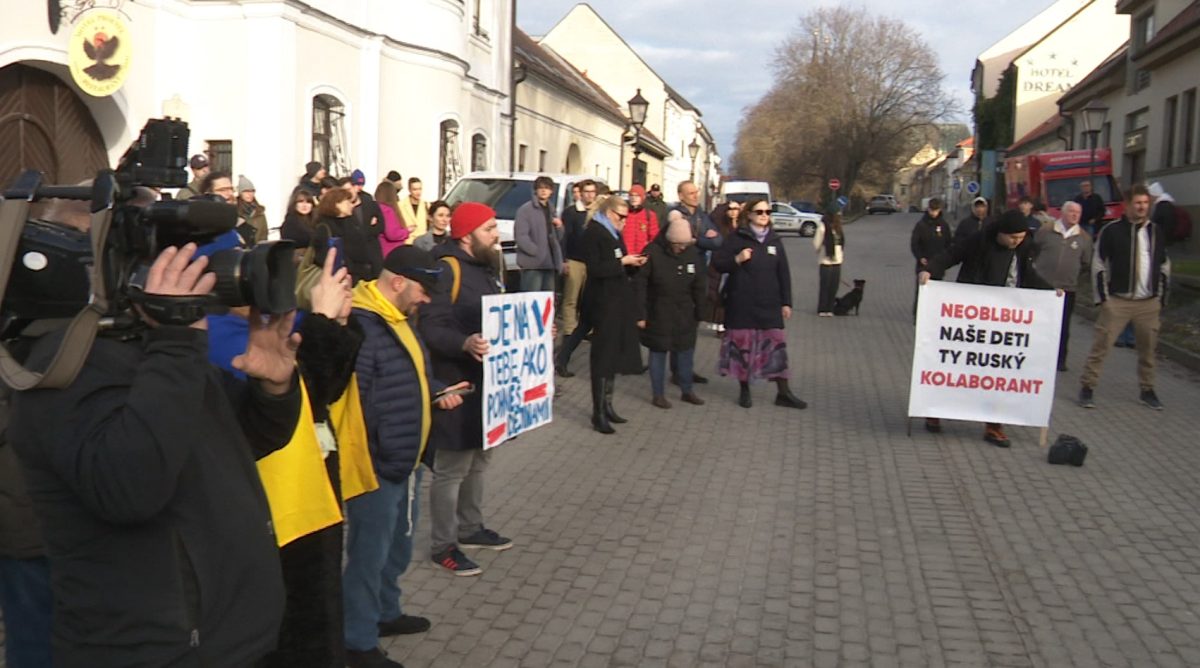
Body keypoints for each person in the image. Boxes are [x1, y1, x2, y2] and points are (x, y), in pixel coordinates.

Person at [10, 242, 301, 666]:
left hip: (233, 639)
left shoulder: (157, 349)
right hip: (158, 650)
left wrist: (273, 387)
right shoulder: (65, 366)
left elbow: (244, 441)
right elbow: (129, 490)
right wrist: (177, 343)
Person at [343, 247, 465, 668]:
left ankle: (386, 613)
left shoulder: (396, 320)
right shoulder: (363, 325)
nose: (425, 299)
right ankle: (357, 641)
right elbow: (357, 403)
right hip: (379, 465)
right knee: (368, 555)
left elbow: (408, 374)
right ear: (397, 282)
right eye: (422, 290)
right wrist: (381, 454)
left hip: (404, 458)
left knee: (396, 547)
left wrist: (434, 391)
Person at [417, 202, 514, 576]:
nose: (496, 234)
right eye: (489, 228)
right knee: (451, 468)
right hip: (455, 383)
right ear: (466, 234)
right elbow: (430, 327)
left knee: (479, 459)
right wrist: (464, 343)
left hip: (485, 383)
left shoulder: (486, 267)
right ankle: (444, 545)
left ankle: (471, 528)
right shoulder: (447, 269)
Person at [920, 210, 1052, 444]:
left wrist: (1052, 293)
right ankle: (935, 411)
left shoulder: (1022, 248)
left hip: (1004, 318)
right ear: (1001, 233)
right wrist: (930, 269)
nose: (1017, 242)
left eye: (1021, 237)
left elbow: (1028, 275)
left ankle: (993, 424)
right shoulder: (978, 241)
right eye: (1013, 237)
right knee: (958, 366)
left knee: (997, 372)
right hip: (972, 316)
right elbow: (952, 254)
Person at [1078, 184, 1170, 411]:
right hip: (1118, 300)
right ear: (1127, 205)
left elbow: (1164, 264)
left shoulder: (1155, 231)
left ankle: (1147, 390)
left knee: (1148, 349)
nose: (1142, 207)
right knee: (1102, 346)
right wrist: (1104, 299)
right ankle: (1087, 387)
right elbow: (1098, 264)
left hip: (1148, 302)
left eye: (1145, 203)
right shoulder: (1112, 231)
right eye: (1137, 203)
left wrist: (1161, 298)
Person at [711, 198, 806, 410]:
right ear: (750, 215)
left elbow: (784, 273)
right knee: (743, 348)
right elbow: (718, 263)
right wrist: (737, 259)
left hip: (769, 303)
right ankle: (744, 391)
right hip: (742, 302)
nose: (765, 215)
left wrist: (786, 302)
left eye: (768, 212)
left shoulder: (774, 240)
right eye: (760, 211)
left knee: (776, 346)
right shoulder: (737, 238)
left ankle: (784, 392)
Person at [581, 195, 646, 433]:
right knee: (602, 356)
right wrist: (623, 262)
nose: (624, 222)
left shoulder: (614, 233)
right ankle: (598, 412)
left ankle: (608, 405)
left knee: (612, 356)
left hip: (617, 300)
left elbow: (618, 260)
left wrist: (631, 263)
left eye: (627, 218)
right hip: (601, 302)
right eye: (621, 217)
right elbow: (596, 268)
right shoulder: (594, 232)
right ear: (609, 213)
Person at [634, 212, 707, 409]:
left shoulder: (691, 253)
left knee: (685, 352)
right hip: (659, 310)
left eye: (685, 245)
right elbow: (639, 285)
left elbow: (700, 285)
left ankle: (687, 390)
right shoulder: (652, 252)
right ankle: (658, 394)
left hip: (685, 312)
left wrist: (701, 311)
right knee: (658, 352)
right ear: (669, 241)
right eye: (678, 245)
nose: (682, 248)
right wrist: (640, 314)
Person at [1033, 201, 1092, 372]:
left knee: (1063, 326)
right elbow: (1034, 250)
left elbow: (1086, 263)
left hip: (1067, 289)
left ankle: (1060, 360)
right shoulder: (1046, 231)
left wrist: (1073, 278)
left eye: (1078, 213)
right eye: (1071, 211)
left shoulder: (1084, 238)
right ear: (1063, 213)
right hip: (1042, 287)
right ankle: (1036, 355)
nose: (1074, 215)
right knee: (1039, 323)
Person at [313, 188, 380, 284]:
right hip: (343, 280)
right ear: (336, 204)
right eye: (347, 202)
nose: (351, 205)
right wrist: (350, 271)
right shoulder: (325, 227)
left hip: (363, 277)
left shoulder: (350, 222)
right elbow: (324, 256)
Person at [560, 179, 599, 339]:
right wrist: (563, 260)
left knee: (588, 297)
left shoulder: (598, 212)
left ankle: (586, 328)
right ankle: (570, 328)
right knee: (571, 296)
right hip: (574, 259)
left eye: (592, 192)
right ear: (580, 193)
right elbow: (565, 237)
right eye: (587, 192)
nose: (590, 195)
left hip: (592, 260)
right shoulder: (571, 212)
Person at [514, 175, 564, 292]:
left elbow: (559, 238)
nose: (543, 190)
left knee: (547, 301)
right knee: (532, 298)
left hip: (550, 263)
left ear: (551, 191)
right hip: (533, 264)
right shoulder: (525, 210)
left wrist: (560, 226)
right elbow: (521, 236)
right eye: (540, 188)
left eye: (547, 188)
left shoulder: (552, 210)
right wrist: (535, 251)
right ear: (535, 190)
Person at [910, 198, 953, 317]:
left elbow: (948, 243)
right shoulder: (921, 225)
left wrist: (944, 259)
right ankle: (918, 315)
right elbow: (914, 243)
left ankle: (933, 314)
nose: (933, 213)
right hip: (923, 263)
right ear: (928, 209)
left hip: (938, 264)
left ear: (939, 210)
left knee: (936, 289)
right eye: (931, 210)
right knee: (922, 289)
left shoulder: (944, 225)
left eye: (936, 210)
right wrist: (920, 257)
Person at [703, 200, 741, 332]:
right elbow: (714, 215)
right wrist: (727, 205)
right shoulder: (721, 224)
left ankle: (730, 322)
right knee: (719, 292)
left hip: (737, 262)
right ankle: (720, 324)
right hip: (721, 261)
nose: (733, 212)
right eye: (731, 209)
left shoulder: (742, 225)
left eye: (736, 209)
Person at [672, 180, 721, 255]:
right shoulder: (675, 215)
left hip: (700, 261)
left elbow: (717, 242)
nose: (696, 196)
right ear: (681, 196)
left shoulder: (702, 216)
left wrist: (696, 240)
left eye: (696, 192)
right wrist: (704, 238)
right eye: (691, 193)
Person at [813, 211, 845, 317]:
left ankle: (830, 308)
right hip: (825, 260)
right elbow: (816, 243)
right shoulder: (822, 227)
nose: (839, 216)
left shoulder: (838, 227)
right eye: (837, 214)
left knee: (834, 286)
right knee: (825, 286)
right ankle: (822, 308)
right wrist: (820, 250)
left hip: (837, 260)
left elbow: (841, 242)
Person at [374, 180, 410, 258]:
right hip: (391, 252)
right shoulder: (386, 210)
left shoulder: (375, 207)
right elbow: (392, 234)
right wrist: (407, 231)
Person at [622, 184, 660, 256]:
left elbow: (654, 237)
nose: (634, 198)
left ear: (642, 197)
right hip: (626, 255)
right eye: (631, 196)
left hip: (643, 255)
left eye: (637, 196)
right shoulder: (623, 214)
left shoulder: (649, 215)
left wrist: (649, 252)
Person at [235, 174, 268, 245]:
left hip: (257, 250)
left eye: (252, 191)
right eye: (246, 191)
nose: (250, 194)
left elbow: (264, 233)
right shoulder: (234, 210)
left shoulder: (259, 211)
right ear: (240, 193)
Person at [396, 177, 430, 244]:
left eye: (420, 189)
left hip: (423, 244)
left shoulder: (426, 205)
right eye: (415, 189)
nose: (418, 192)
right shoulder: (400, 205)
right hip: (407, 242)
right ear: (409, 190)